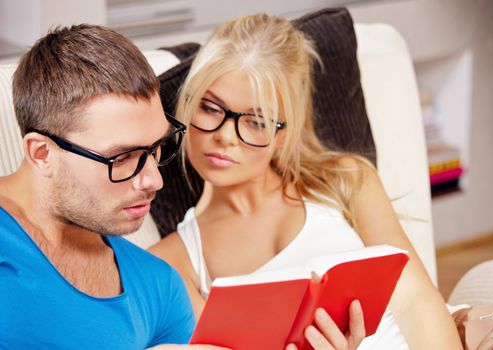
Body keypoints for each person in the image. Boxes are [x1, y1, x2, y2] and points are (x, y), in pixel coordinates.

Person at [149, 13, 464, 350]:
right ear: (187, 104)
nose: (226, 136)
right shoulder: (174, 261)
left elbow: (416, 299)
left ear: (284, 134)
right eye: (210, 108)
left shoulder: (346, 181)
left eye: (255, 122)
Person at [0, 24, 227, 350]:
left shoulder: (159, 287)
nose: (154, 180)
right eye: (122, 157)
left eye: (156, 148)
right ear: (42, 154)